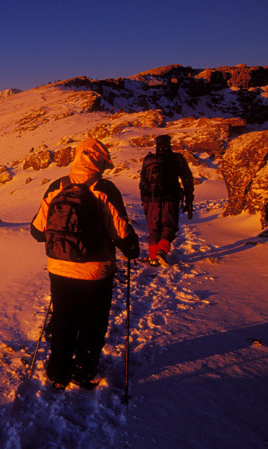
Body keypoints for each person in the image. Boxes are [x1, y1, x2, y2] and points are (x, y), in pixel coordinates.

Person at [30, 138, 140, 390]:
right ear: (100, 161)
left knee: (62, 319)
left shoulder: (58, 186)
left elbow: (37, 231)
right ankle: (83, 372)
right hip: (95, 270)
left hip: (59, 267)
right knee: (93, 322)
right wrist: (132, 248)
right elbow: (120, 232)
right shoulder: (104, 188)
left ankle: (58, 372)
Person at [139, 134, 194, 266]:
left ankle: (153, 256)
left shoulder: (149, 159)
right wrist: (189, 200)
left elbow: (142, 182)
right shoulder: (176, 158)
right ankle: (162, 251)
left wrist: (144, 201)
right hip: (170, 198)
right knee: (169, 225)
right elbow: (187, 180)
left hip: (150, 200)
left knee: (153, 228)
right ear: (169, 144)